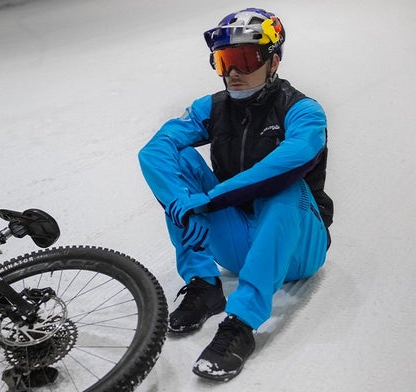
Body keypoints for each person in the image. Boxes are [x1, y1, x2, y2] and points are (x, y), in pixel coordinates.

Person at [138, 8, 333, 381]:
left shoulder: (303, 110)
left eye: (244, 59)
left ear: (273, 61)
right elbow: (155, 149)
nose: (233, 73)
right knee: (175, 161)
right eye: (224, 61)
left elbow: (293, 159)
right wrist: (183, 203)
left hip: (298, 249)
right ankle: (204, 285)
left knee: (286, 185)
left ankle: (241, 323)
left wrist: (211, 199)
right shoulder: (211, 107)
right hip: (236, 246)